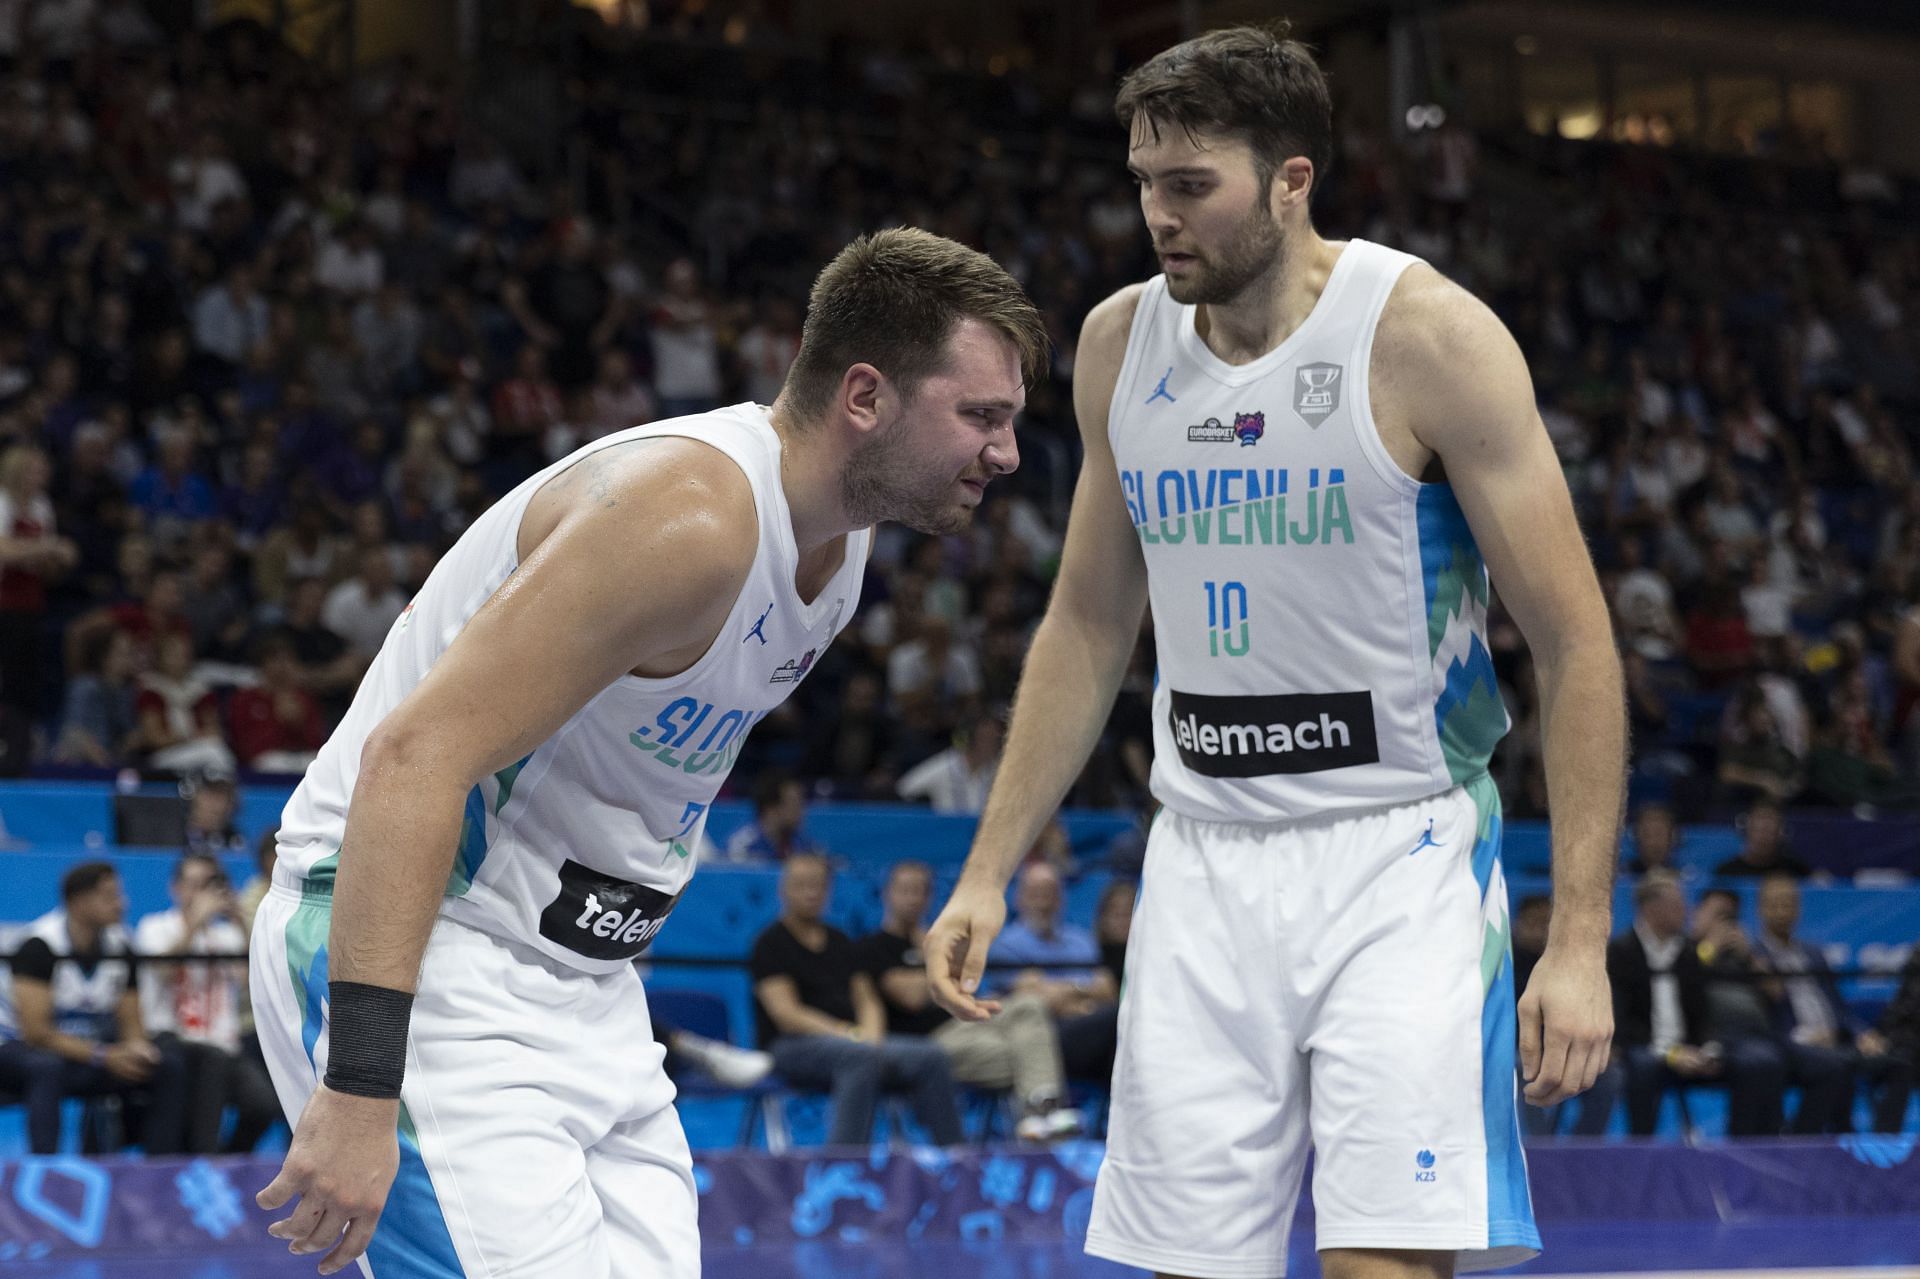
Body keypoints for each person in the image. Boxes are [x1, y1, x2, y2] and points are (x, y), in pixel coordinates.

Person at [925, 25, 1620, 1278]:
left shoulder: (1429, 338)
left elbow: (1576, 645)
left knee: (1383, 1263)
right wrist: (988, 868)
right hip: (1201, 863)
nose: (1157, 215)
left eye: (1191, 185)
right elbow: (1087, 621)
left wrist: (1578, 943)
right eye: (1144, 182)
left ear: (1292, 180)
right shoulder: (1116, 347)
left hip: (1399, 855)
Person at [249, 228, 1045, 1278]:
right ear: (865, 396)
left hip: (592, 988)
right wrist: (359, 1086)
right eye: (981, 416)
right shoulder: (688, 520)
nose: (1008, 454)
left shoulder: (841, 555)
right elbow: (412, 759)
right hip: (432, 945)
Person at [749, 854, 964, 1147]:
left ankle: (953, 1159)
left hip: (854, 1042)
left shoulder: (841, 941)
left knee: (930, 1056)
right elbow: (787, 1014)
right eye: (802, 885)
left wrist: (871, 1036)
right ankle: (845, 1160)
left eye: (819, 885)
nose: (812, 893)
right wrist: (849, 1035)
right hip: (791, 1046)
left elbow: (867, 1000)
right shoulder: (770, 943)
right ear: (783, 890)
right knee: (859, 1057)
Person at [859, 861, 1081, 1142]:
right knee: (1031, 1053)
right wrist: (938, 967)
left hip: (963, 1022)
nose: (913, 898)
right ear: (887, 894)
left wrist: (937, 962)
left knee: (1029, 1004)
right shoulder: (872, 946)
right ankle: (1040, 1108)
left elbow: (966, 983)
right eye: (905, 890)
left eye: (920, 891)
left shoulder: (937, 944)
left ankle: (1041, 1108)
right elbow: (911, 997)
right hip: (926, 1042)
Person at [0, 862, 188, 1155]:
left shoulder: (122, 946)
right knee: (45, 1067)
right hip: (19, 1049)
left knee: (165, 1065)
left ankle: (158, 1172)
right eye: (110, 896)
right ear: (79, 901)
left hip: (90, 1056)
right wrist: (104, 1055)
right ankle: (44, 1170)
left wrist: (136, 1050)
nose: (122, 903)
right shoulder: (39, 945)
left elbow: (131, 1023)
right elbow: (36, 1034)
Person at [1607, 873, 1783, 1137]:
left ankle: (1744, 1150)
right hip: (1647, 1048)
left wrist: (1708, 1049)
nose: (1685, 911)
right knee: (1642, 1066)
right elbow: (1623, 1021)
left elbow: (1704, 1012)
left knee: (1757, 1064)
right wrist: (1671, 1053)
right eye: (1677, 904)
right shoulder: (1621, 951)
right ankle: (1640, 1151)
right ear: (1650, 908)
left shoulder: (1690, 952)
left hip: (1691, 1048)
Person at [133, 852, 281, 1153]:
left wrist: (239, 920)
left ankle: (226, 1162)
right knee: (211, 1066)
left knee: (263, 1104)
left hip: (224, 1044)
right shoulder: (155, 926)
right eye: (194, 884)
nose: (202, 893)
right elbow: (161, 972)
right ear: (175, 888)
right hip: (172, 1039)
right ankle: (205, 1160)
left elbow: (251, 981)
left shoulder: (225, 935)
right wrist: (193, 925)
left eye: (209, 884)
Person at [1752, 874, 1904, 1134]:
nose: (1782, 911)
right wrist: (1806, 1036)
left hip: (1836, 1039)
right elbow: (1762, 1019)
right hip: (1789, 1044)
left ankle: (1883, 1145)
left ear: (1799, 908)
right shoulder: (1754, 957)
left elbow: (1839, 1008)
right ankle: (1804, 1141)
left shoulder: (1813, 953)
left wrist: (1862, 1034)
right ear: (1760, 909)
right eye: (1775, 904)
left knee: (1899, 1064)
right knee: (1834, 1065)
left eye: (1788, 903)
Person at [722, 769, 823, 862]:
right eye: (794, 804)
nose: (801, 811)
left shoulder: (803, 844)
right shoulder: (741, 847)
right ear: (770, 809)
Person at [1712, 798, 1814, 879]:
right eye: (1758, 830)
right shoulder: (1726, 873)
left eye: (1770, 831)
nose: (1763, 838)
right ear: (1746, 830)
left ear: (1781, 833)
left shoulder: (1796, 871)